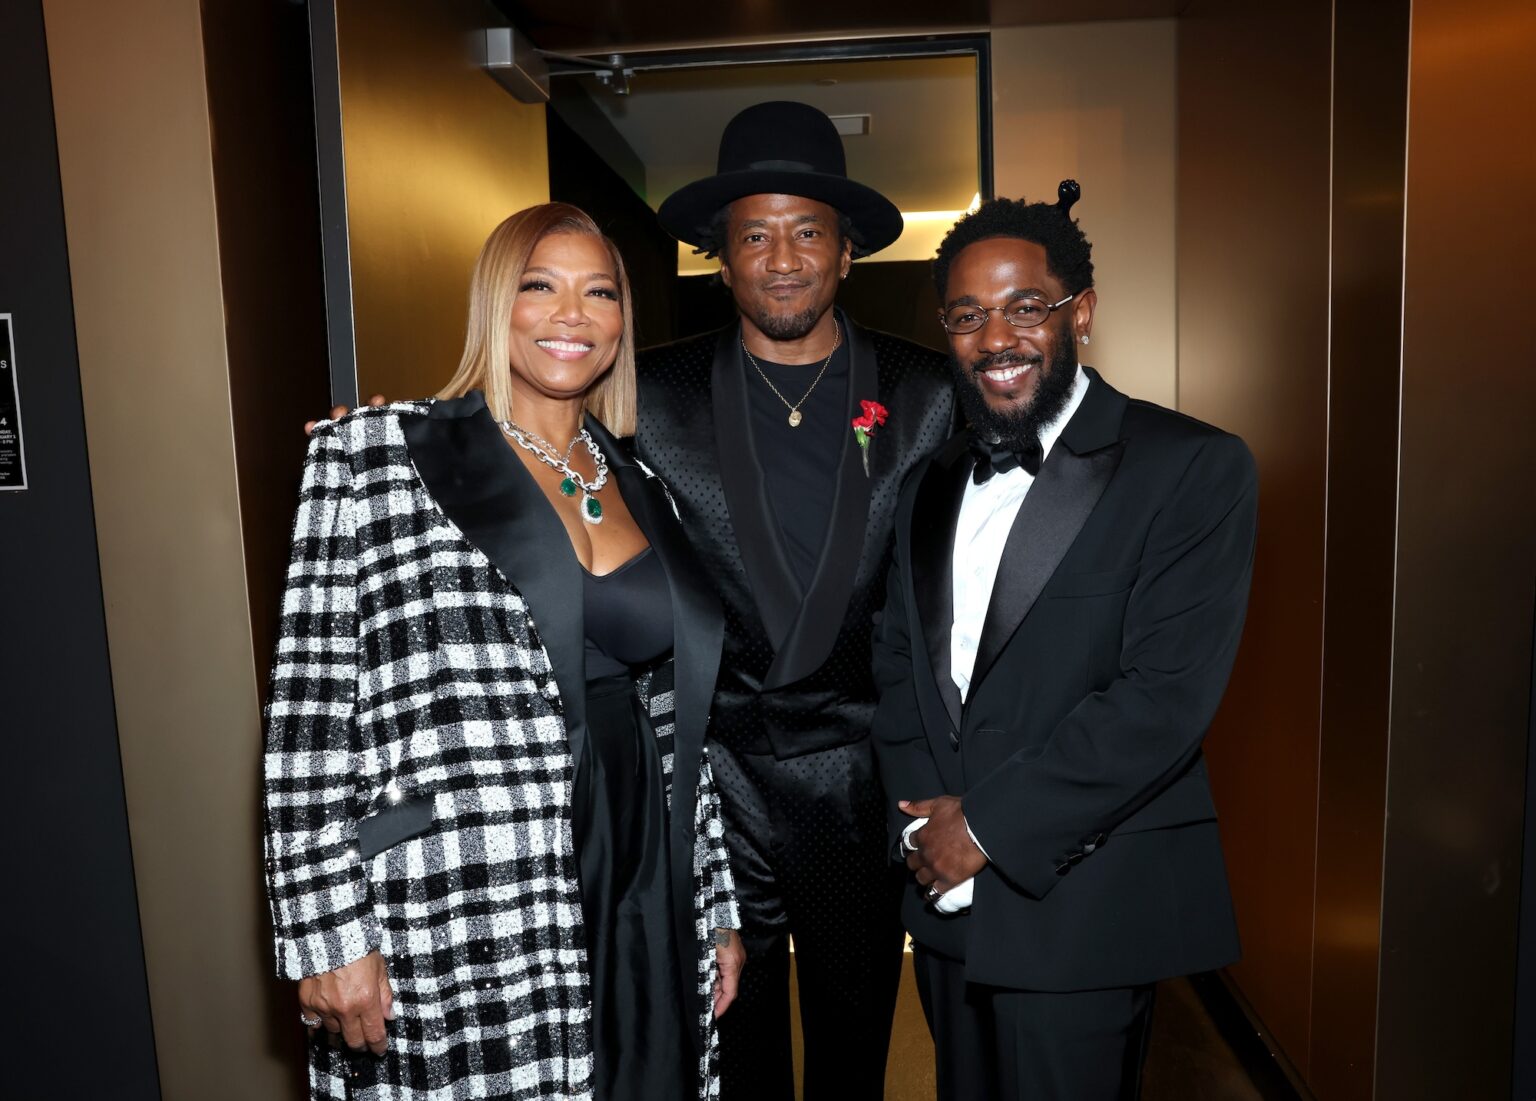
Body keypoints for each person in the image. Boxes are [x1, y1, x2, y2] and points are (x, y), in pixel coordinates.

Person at [264, 203, 744, 1101]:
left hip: (642, 861)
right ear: (498, 301)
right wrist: (328, 933)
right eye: (541, 285)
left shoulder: (642, 485)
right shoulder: (377, 455)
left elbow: (684, 719)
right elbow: (307, 721)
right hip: (468, 885)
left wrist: (711, 904)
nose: (573, 313)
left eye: (598, 291)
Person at [871, 183, 1258, 1100]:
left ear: (1079, 311)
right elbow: (897, 668)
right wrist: (928, 831)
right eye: (967, 315)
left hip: (1087, 904)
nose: (994, 338)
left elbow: (1162, 697)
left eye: (1023, 308)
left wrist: (989, 828)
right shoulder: (926, 484)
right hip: (946, 904)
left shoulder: (1192, 465)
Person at [637, 101, 956, 1100]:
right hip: (713, 776)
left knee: (857, 1041)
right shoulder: (644, 393)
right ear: (720, 259)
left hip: (862, 783)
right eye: (754, 235)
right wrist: (397, 435)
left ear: (846, 252)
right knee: (733, 1049)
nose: (781, 258)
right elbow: (522, 449)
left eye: (806, 230)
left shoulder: (928, 393)